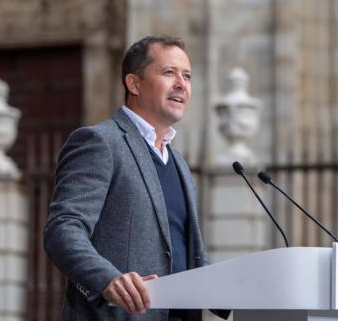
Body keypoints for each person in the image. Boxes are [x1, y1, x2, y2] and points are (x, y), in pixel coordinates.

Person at [44, 36, 226, 321]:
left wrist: (240, 294)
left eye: (187, 76)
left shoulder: (177, 161)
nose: (182, 84)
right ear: (134, 84)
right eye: (169, 73)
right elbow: (62, 230)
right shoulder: (101, 142)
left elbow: (190, 252)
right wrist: (107, 280)